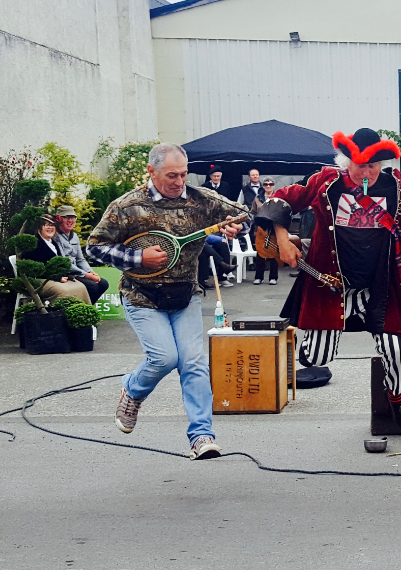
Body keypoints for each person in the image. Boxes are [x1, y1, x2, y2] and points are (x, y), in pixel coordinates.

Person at [253, 127, 401, 433]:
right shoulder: (326, 182)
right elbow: (282, 199)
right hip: (332, 283)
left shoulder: (396, 185)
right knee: (315, 358)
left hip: (381, 285)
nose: (367, 172)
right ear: (346, 161)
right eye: (361, 165)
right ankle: (303, 346)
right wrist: (282, 239)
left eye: (373, 165)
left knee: (396, 350)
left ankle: (397, 397)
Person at [87, 143, 243, 460]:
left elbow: (241, 215)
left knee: (193, 363)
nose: (178, 181)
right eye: (172, 175)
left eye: (184, 174)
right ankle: (132, 389)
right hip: (142, 297)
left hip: (185, 295)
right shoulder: (127, 206)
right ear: (152, 171)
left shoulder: (202, 200)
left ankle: (202, 436)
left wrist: (236, 225)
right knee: (163, 359)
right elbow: (94, 247)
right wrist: (137, 257)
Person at [23, 214, 92, 304]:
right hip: (40, 279)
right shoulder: (35, 244)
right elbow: (34, 268)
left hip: (56, 278)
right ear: (40, 227)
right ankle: (59, 316)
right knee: (63, 290)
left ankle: (81, 315)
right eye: (46, 225)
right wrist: (57, 277)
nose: (50, 228)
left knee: (80, 287)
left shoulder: (54, 243)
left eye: (52, 225)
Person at [52, 205, 109, 304]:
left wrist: (90, 272)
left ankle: (85, 308)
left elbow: (80, 259)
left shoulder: (74, 237)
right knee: (92, 286)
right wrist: (86, 275)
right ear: (59, 219)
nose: (70, 220)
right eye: (66, 217)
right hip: (67, 273)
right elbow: (64, 262)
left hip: (78, 273)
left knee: (103, 284)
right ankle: (81, 310)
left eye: (72, 217)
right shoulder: (55, 237)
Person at [251, 177, 280, 285]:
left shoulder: (278, 197)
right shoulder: (258, 198)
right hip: (260, 227)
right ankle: (259, 277)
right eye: (266, 184)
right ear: (263, 186)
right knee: (260, 252)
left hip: (274, 227)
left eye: (271, 184)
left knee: (274, 252)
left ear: (274, 185)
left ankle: (273, 277)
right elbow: (253, 212)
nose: (268, 186)